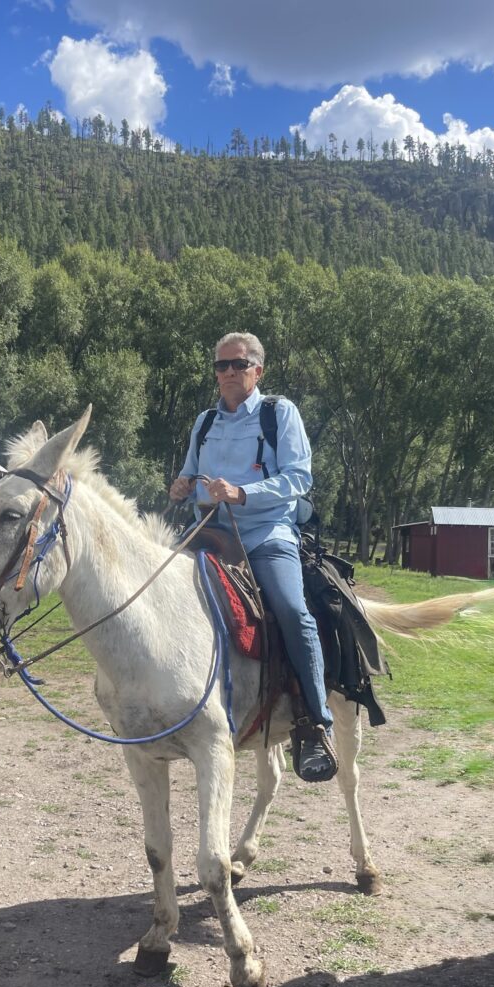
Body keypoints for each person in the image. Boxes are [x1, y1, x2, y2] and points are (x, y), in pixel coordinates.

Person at [170, 331, 335, 781]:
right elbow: (189, 475)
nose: (227, 372)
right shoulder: (204, 422)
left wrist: (243, 493)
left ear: (257, 371)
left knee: (291, 609)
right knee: (152, 587)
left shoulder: (278, 413)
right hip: (209, 530)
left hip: (266, 532)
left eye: (237, 365)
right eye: (220, 365)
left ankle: (316, 723)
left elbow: (299, 478)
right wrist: (182, 486)